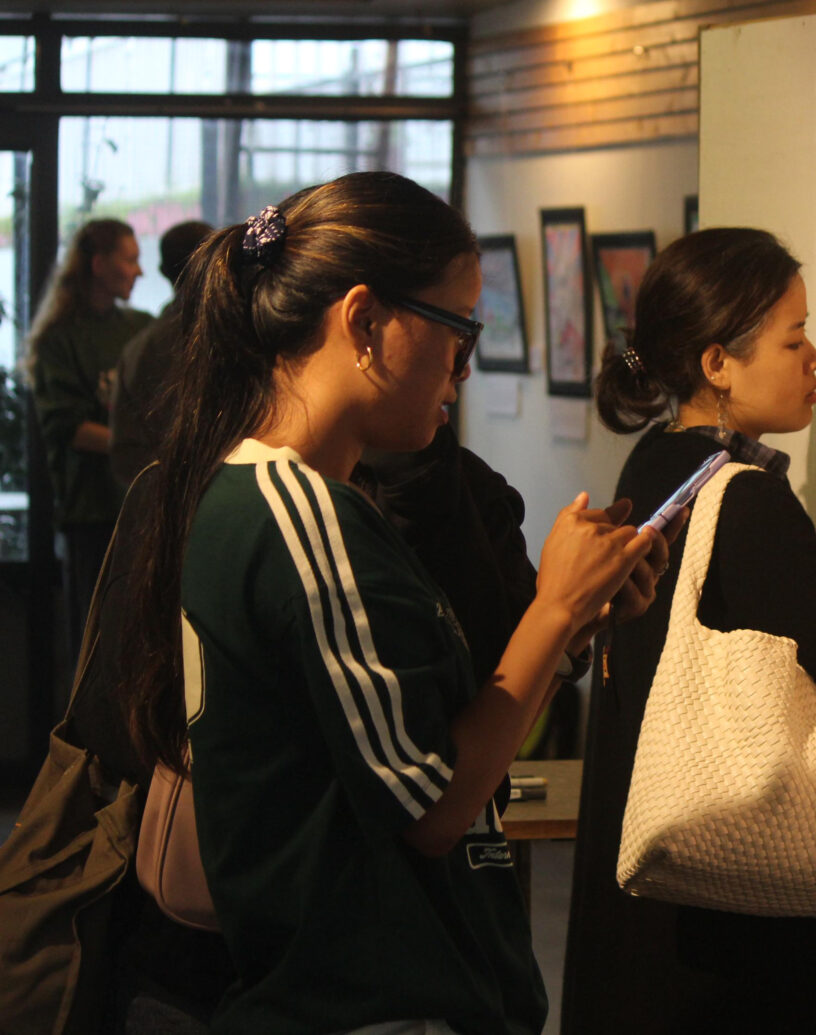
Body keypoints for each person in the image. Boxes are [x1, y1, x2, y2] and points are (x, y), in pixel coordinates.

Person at [118, 171, 665, 1034]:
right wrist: (553, 609)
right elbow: (436, 805)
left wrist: (567, 631)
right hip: (371, 1003)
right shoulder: (298, 517)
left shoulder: (291, 502)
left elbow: (427, 743)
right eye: (458, 328)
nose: (462, 367)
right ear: (365, 321)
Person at [564, 227, 816, 1033]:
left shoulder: (655, 463)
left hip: (664, 935)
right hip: (743, 950)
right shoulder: (743, 500)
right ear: (718, 363)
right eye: (794, 338)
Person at [26, 217, 152, 648]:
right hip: (92, 513)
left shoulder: (139, 327)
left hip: (140, 510)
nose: (139, 271)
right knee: (94, 645)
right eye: (130, 260)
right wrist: (142, 447)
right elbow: (68, 427)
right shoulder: (60, 340)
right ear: (99, 264)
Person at [109, 218, 214, 486]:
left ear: (163, 270)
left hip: (157, 496)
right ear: (216, 262)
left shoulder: (139, 349)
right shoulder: (236, 336)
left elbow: (125, 449)